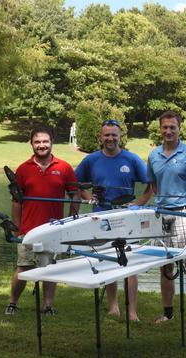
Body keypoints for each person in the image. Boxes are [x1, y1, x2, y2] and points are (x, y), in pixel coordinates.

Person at [75, 119, 151, 321]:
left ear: (120, 136)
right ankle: (114, 306)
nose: (110, 138)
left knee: (130, 264)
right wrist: (87, 198)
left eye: (114, 135)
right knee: (107, 260)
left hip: (127, 219)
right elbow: (75, 183)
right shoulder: (91, 160)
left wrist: (138, 203)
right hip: (100, 217)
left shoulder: (131, 159)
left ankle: (132, 311)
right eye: (106, 135)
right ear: (101, 137)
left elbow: (150, 185)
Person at [5, 125, 79, 315]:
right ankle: (12, 303)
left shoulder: (64, 168)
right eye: (37, 142)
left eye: (45, 141)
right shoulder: (23, 169)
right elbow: (16, 201)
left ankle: (48, 306)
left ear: (52, 142)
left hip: (54, 229)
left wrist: (71, 220)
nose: (41, 145)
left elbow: (75, 195)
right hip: (28, 229)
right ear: (31, 144)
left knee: (49, 268)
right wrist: (17, 226)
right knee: (23, 267)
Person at [147, 111, 186, 327]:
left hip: (184, 213)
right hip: (161, 214)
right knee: (165, 267)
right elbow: (153, 185)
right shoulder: (153, 155)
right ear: (160, 129)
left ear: (179, 128)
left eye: (173, 127)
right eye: (165, 127)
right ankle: (168, 313)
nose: (168, 131)